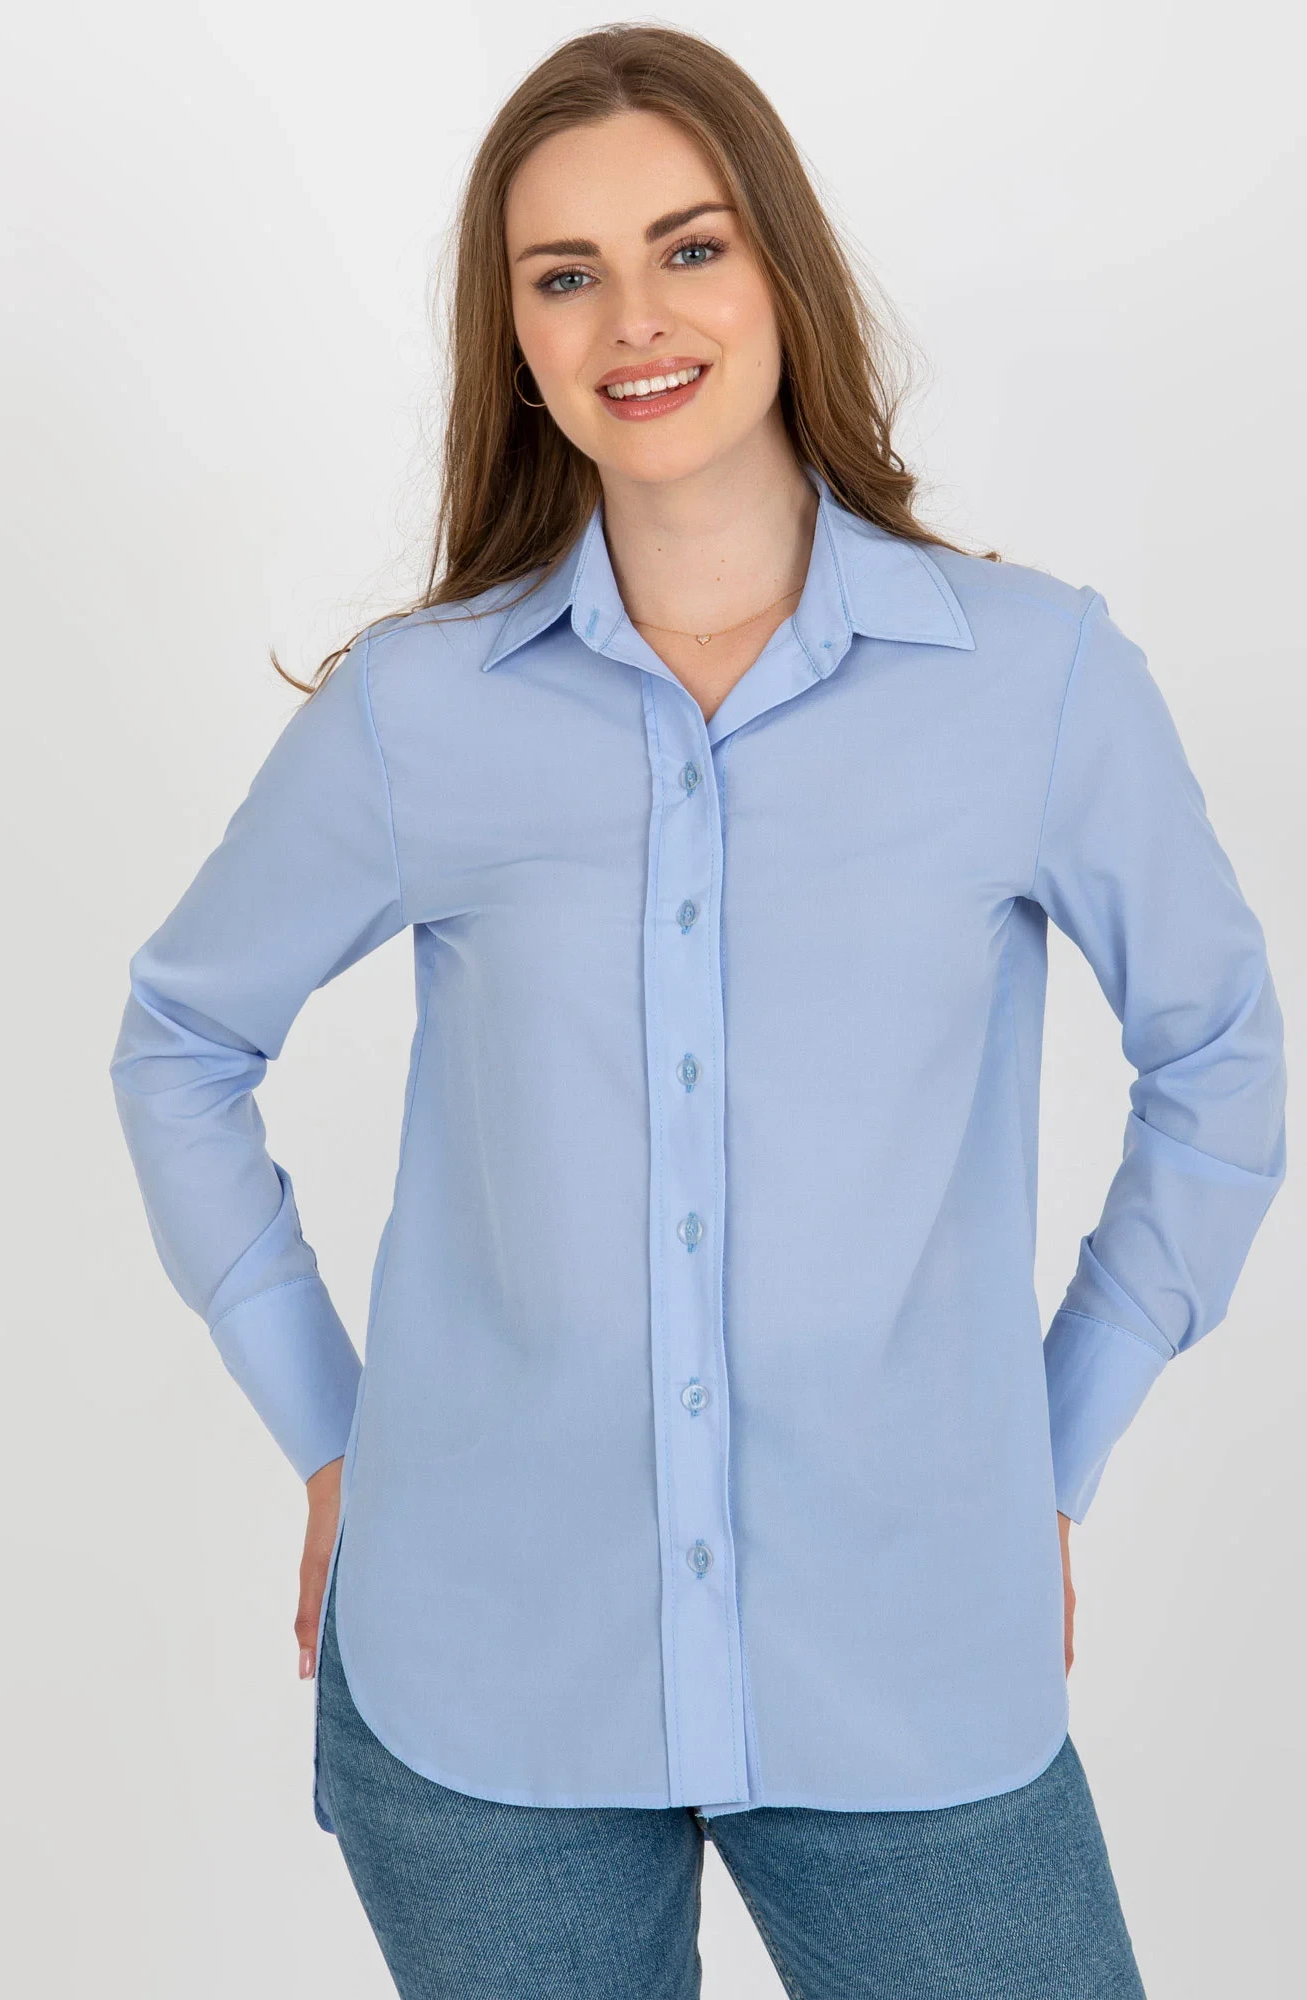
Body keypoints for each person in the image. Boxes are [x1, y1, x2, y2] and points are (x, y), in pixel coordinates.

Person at [108, 24, 1286, 1999]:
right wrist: (328, 1432)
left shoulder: (1035, 682)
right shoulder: (420, 713)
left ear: (781, 274)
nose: (633, 319)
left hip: (911, 1662)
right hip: (484, 1685)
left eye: (690, 247)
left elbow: (1222, 1061)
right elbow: (181, 1043)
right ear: (516, 339)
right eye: (564, 274)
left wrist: (1050, 1449)